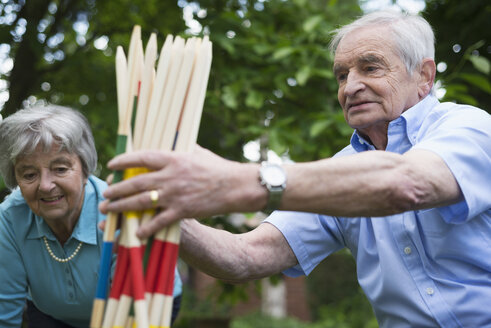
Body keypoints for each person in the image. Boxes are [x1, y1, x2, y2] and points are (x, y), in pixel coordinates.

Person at [99, 11, 491, 328]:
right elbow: (247, 257)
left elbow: (406, 183)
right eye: (342, 74)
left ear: (424, 75)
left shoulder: (469, 128)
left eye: (370, 68)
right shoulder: (342, 172)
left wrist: (237, 181)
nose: (349, 87)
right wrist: (163, 210)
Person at [0, 105, 182, 327]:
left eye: (60, 169)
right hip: (51, 316)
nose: (46, 186)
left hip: (137, 307)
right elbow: (5, 312)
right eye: (29, 174)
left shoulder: (119, 211)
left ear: (85, 170)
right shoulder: (10, 217)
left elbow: (130, 309)